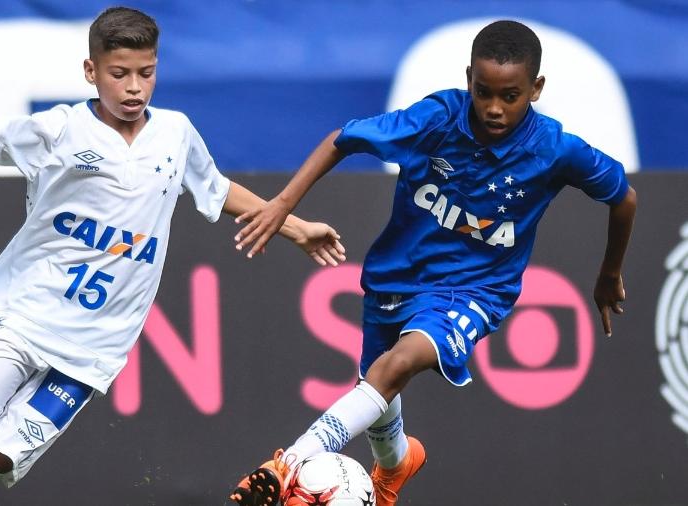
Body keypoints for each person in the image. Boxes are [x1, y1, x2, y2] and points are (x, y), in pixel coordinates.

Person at [0, 7, 346, 506]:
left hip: (93, 348)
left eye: (145, 73)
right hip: (27, 316)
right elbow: (0, 136)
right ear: (91, 71)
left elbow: (215, 188)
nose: (133, 87)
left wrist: (297, 228)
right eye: (119, 73)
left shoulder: (176, 133)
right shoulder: (63, 130)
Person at [229, 19, 636, 506]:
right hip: (395, 277)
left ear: (537, 88)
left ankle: (288, 463)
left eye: (511, 96)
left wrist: (609, 274)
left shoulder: (554, 149)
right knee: (376, 388)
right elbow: (344, 138)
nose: (493, 107)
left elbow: (624, 198)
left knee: (397, 365)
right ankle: (397, 465)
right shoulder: (437, 118)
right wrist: (282, 204)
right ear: (468, 77)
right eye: (483, 91)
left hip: (478, 290)